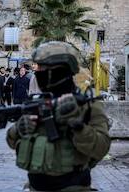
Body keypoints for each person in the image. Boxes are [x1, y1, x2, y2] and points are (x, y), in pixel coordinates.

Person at [6, 41, 111, 191]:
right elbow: (12, 141)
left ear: (61, 70)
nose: (38, 72)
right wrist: (18, 129)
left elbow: (101, 148)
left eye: (44, 68)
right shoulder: (37, 103)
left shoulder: (86, 105)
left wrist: (77, 125)